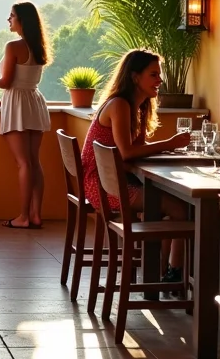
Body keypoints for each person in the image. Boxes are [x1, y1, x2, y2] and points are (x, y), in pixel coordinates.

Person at [80, 50, 193, 281]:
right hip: (104, 186)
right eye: (153, 75)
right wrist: (169, 144)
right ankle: (167, 273)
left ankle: (165, 271)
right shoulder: (119, 105)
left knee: (176, 204)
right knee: (181, 209)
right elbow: (127, 152)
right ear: (134, 77)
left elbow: (136, 148)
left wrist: (168, 147)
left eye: (159, 74)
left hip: (114, 180)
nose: (159, 80)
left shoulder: (138, 106)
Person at [0, 1, 52, 229]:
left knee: (23, 163)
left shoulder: (13, 46)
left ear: (22, 20)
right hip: (34, 101)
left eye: (12, 16)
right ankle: (36, 215)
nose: (9, 19)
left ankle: (24, 216)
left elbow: (7, 83)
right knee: (34, 162)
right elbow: (23, 81)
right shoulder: (39, 47)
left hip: (17, 104)